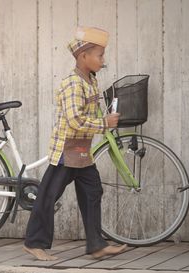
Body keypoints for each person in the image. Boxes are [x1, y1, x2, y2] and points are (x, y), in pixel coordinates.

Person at [23, 26, 127, 260]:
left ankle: (96, 244)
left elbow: (88, 112)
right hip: (66, 150)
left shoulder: (90, 80)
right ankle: (34, 242)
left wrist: (105, 116)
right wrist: (103, 123)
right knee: (49, 195)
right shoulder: (72, 83)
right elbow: (75, 120)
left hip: (81, 151)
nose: (103, 60)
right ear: (83, 57)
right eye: (99, 55)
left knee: (93, 191)